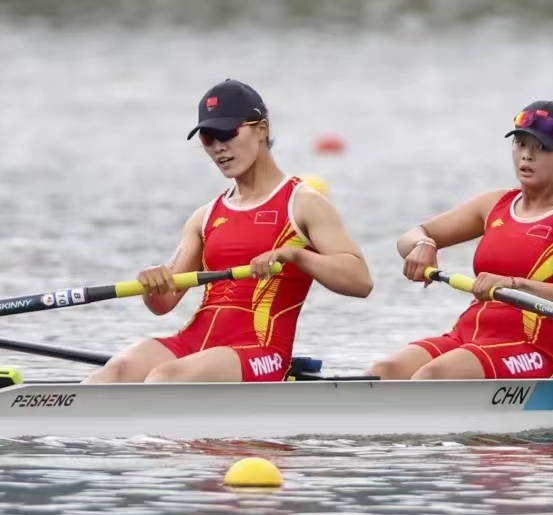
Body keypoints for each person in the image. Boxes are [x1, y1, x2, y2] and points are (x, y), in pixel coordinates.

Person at [86, 79, 372, 384]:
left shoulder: (303, 203)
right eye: (209, 138)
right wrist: (152, 284)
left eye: (227, 133)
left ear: (261, 129)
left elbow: (360, 281)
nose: (219, 147)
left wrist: (295, 255)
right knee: (115, 372)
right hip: (195, 345)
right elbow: (163, 304)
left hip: (261, 352)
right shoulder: (204, 217)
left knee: (166, 377)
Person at [369, 101, 553, 381]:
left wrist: (514, 283)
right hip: (467, 336)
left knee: (432, 376)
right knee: (383, 372)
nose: (526, 156)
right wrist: (424, 246)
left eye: (540, 148)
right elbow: (409, 237)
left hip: (530, 348)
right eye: (520, 144)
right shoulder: (495, 204)